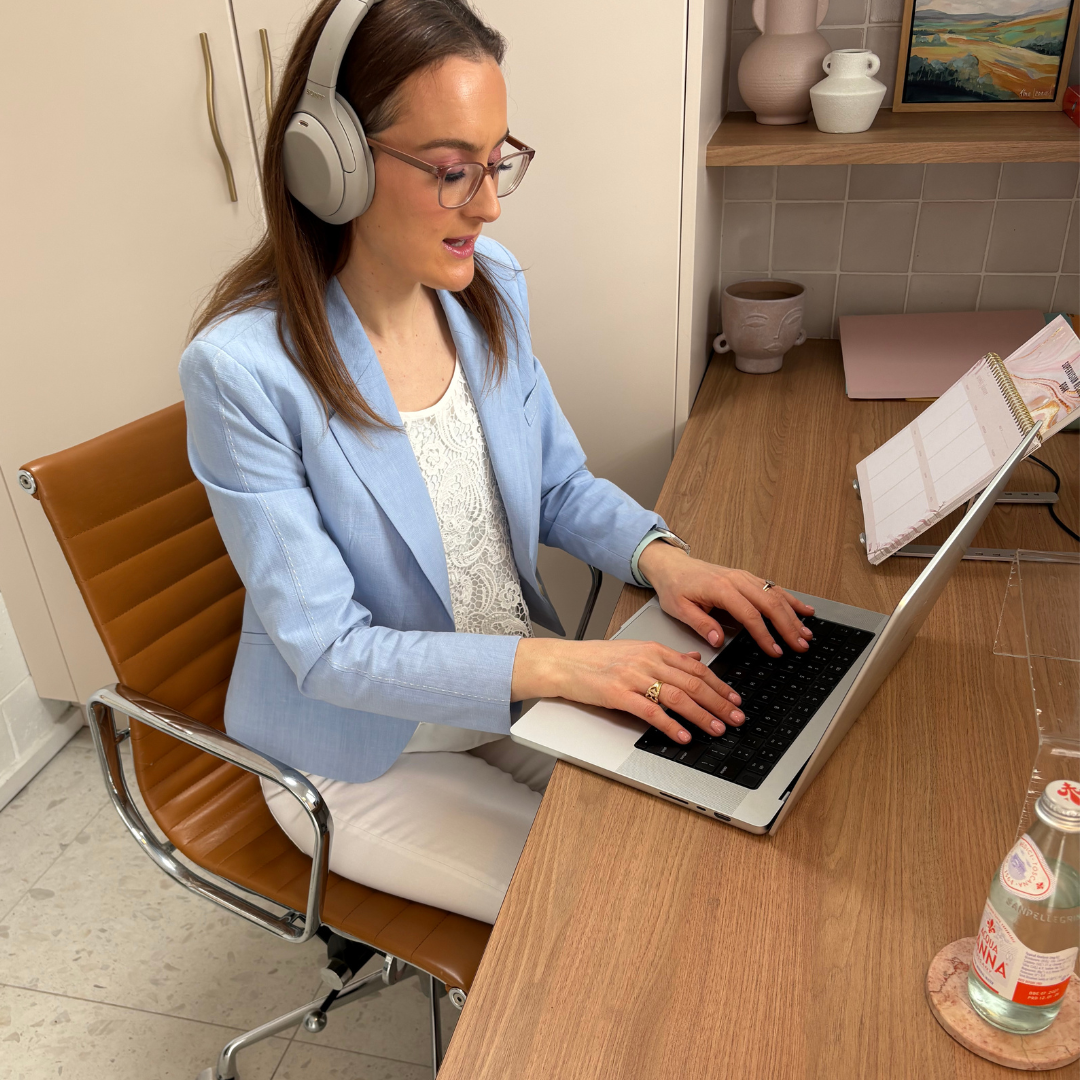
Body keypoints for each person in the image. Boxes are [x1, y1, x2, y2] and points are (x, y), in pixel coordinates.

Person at [180, 0, 814, 925]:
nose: (488, 203)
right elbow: (328, 651)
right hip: (360, 752)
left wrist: (663, 559)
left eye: (496, 160)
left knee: (704, 824)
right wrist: (561, 668)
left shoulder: (488, 287)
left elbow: (556, 484)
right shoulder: (243, 373)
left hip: (503, 699)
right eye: (451, 171)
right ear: (333, 164)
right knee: (599, 913)